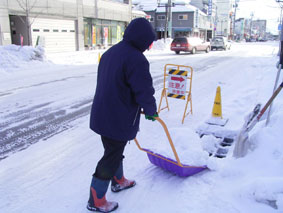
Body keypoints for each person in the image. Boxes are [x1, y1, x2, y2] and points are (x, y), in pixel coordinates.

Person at [87, 18, 158, 212]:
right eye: (149, 42)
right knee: (111, 155)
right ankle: (96, 199)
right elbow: (143, 90)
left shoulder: (111, 52)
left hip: (103, 113)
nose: (149, 47)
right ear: (142, 39)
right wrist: (151, 110)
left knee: (114, 150)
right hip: (117, 117)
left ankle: (118, 180)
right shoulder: (136, 58)